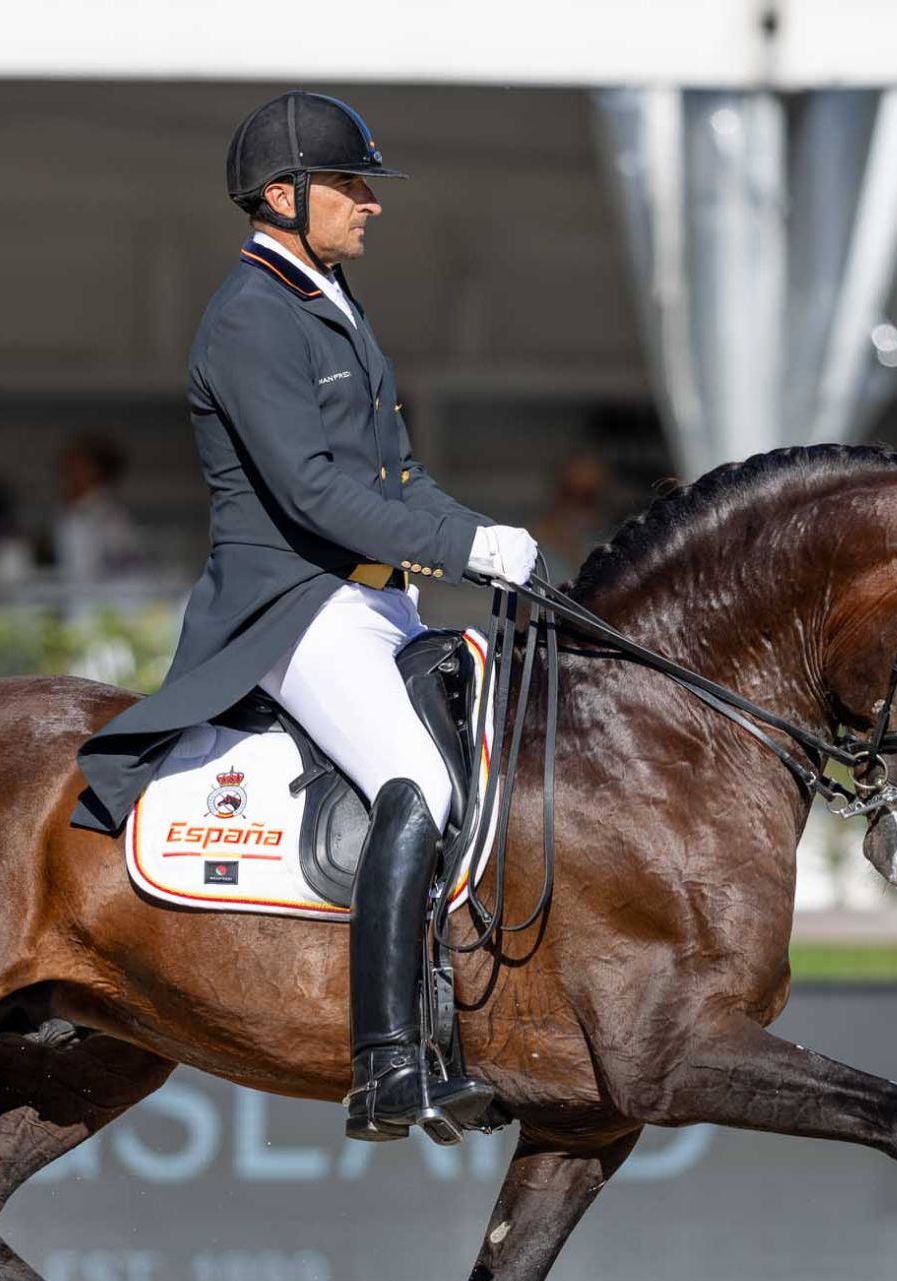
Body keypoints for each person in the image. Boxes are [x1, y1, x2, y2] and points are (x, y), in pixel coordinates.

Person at [72, 91, 540, 1142]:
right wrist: (466, 549)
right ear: (282, 197)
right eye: (350, 184)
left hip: (372, 599)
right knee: (413, 781)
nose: (370, 204)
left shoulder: (327, 299)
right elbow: (312, 491)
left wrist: (490, 537)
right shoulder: (248, 317)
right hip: (293, 609)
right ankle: (384, 1064)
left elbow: (398, 476)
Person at [52, 433, 144, 583]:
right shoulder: (68, 514)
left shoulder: (112, 521)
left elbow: (127, 576)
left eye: (75, 467)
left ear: (95, 471)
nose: (65, 476)